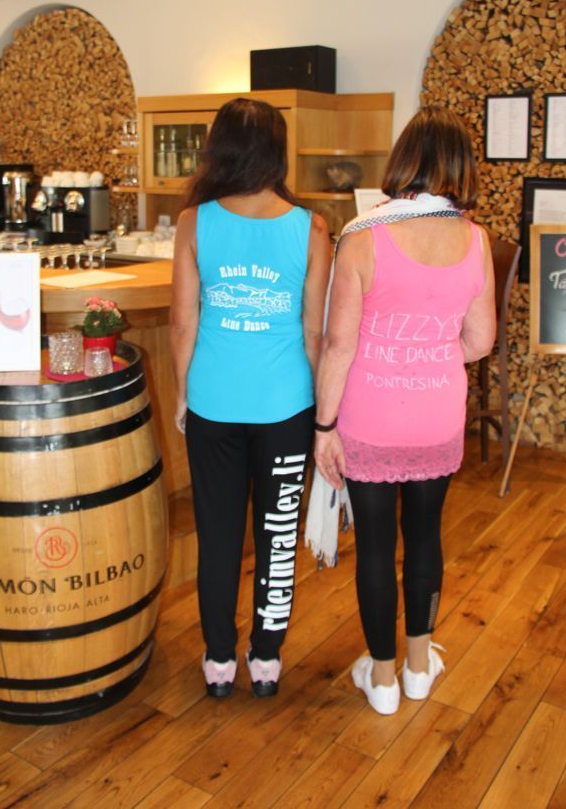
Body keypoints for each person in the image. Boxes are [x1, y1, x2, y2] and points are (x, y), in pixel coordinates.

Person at [313, 106, 496, 715]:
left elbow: (338, 345)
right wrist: (431, 351)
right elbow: (480, 341)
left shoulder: (362, 236)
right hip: (436, 415)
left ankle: (384, 679)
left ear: (404, 160)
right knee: (424, 538)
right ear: (460, 166)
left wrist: (324, 427)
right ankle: (419, 667)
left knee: (373, 547)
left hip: (369, 419)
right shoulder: (476, 240)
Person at [170, 97, 330, 698]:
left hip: (213, 403)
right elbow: (314, 332)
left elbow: (183, 323)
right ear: (277, 152)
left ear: (219, 148)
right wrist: (321, 413)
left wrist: (183, 395)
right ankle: (265, 659)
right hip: (287, 406)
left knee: (216, 537)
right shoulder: (312, 228)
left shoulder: (194, 222)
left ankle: (218, 661)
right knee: (277, 537)